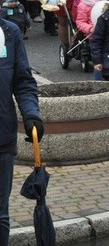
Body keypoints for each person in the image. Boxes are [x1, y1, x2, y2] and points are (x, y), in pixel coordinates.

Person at [0, 17, 42, 245]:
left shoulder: (9, 32)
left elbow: (23, 82)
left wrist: (31, 115)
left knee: (0, 216)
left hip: (2, 139)